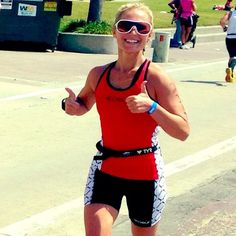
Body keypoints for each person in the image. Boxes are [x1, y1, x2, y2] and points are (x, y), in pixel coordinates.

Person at [62, 3, 190, 235]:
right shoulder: (98, 74)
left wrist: (152, 107)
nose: (133, 33)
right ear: (114, 31)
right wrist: (70, 106)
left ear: (149, 35)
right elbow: (82, 105)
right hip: (106, 168)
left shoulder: (157, 79)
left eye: (141, 28)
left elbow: (183, 131)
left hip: (145, 174)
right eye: (126, 26)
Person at [220, 5, 236, 82]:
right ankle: (231, 70)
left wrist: (224, 28)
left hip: (229, 38)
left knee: (231, 56)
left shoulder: (230, 13)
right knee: (234, 58)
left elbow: (222, 22)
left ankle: (230, 74)